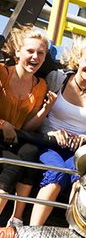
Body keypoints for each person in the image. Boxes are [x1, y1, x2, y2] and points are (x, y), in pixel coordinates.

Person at [27, 36, 86, 227]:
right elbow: (38, 111)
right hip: (49, 142)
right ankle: (33, 229)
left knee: (79, 178)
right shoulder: (56, 78)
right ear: (79, 59)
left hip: (79, 151)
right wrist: (51, 132)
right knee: (57, 172)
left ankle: (73, 232)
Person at [0, 25, 53, 225]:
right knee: (15, 163)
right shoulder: (2, 73)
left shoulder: (40, 86)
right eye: (30, 51)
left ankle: (17, 218)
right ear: (17, 52)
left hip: (13, 137)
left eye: (40, 53)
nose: (35, 57)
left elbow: (27, 128)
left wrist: (45, 111)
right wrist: (3, 124)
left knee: (31, 152)